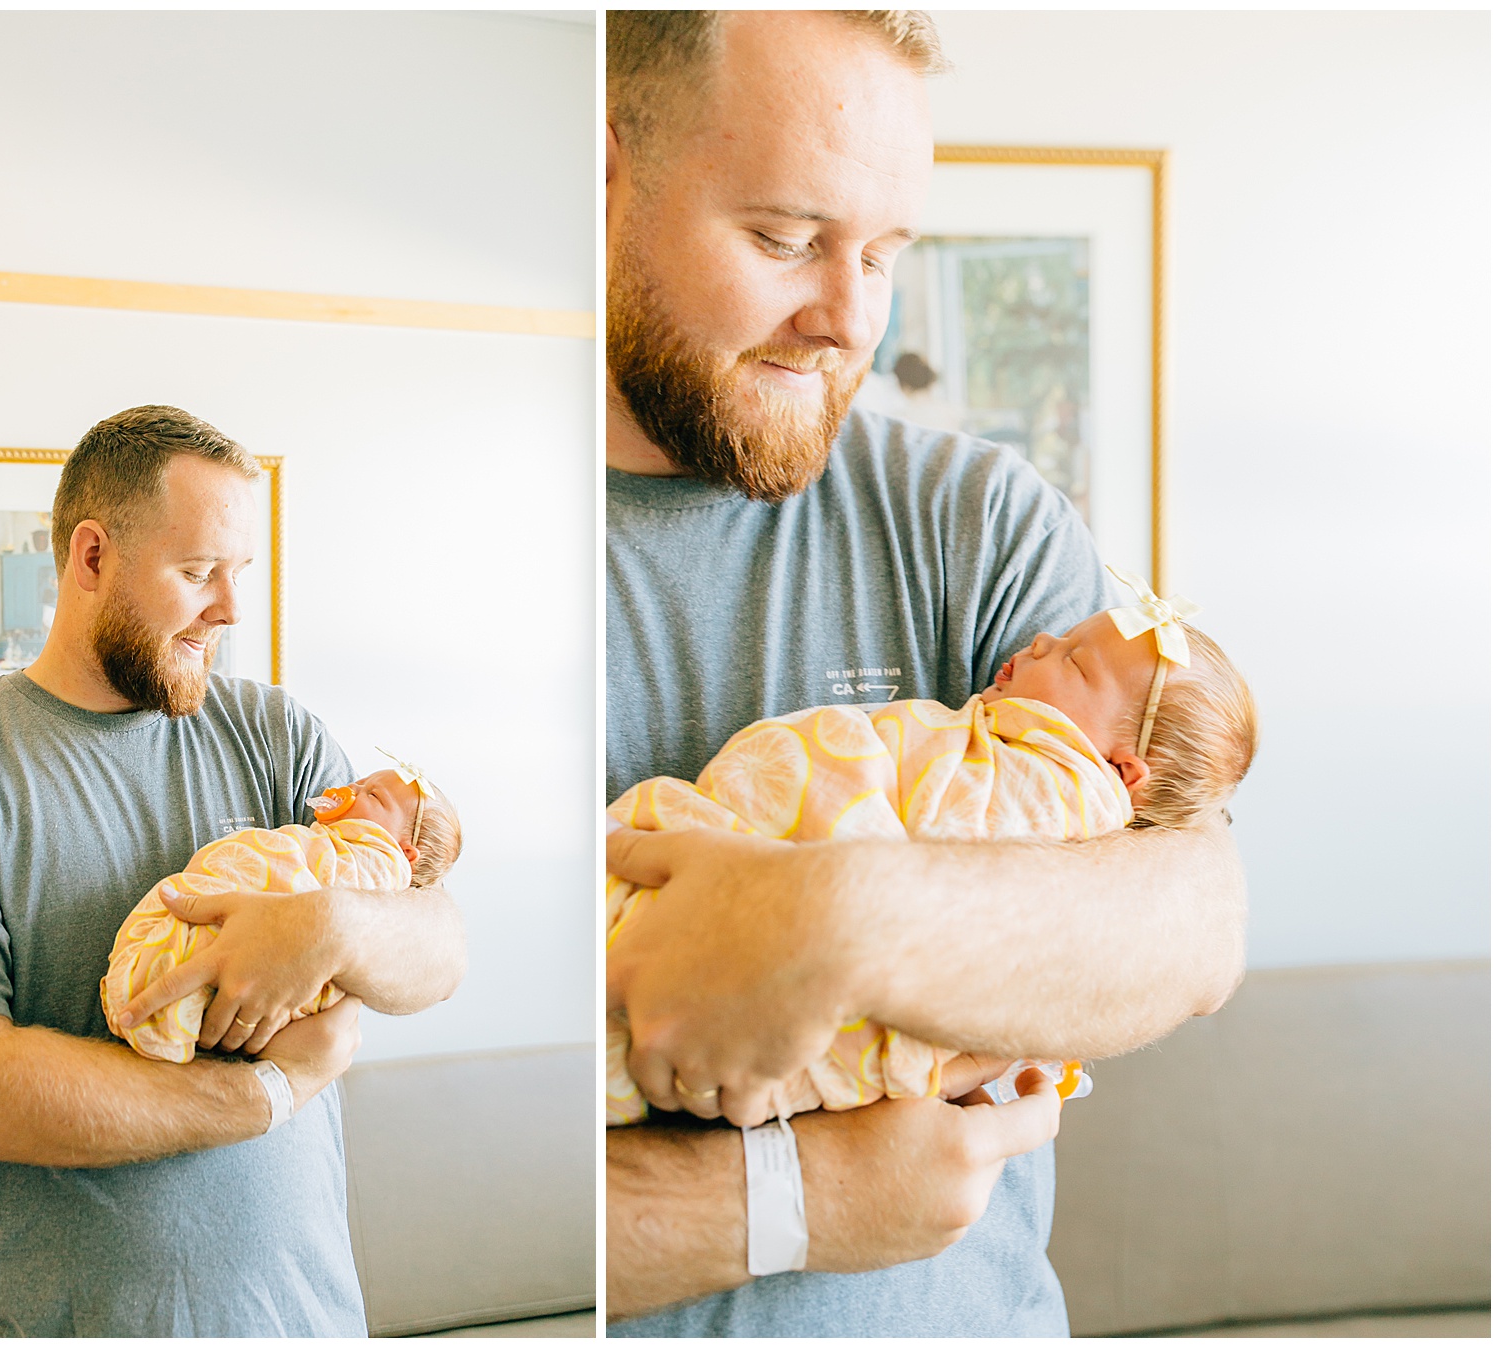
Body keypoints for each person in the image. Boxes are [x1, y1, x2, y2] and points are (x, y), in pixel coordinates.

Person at [604, 11, 1245, 1335]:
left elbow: (1192, 919)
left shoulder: (972, 518)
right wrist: (786, 1204)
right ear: (601, 175)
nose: (846, 320)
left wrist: (830, 920)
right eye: (785, 240)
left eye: (885, 254)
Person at [0, 405, 466, 1336]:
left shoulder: (273, 733)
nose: (232, 609)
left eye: (239, 574)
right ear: (91, 558)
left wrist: (331, 928)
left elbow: (439, 944)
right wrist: (267, 1093)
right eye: (199, 573)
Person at [605, 590, 1257, 1126]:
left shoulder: (1055, 787)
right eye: (1061, 639)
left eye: (1074, 663)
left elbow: (955, 858)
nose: (1039, 644)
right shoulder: (1008, 743)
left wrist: (819, 913)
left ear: (1121, 768)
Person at [103, 764, 462, 1064]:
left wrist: (319, 924)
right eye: (361, 782)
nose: (352, 788)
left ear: (406, 853)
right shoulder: (331, 839)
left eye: (372, 795)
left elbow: (445, 955)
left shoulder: (376, 862)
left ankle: (156, 995)